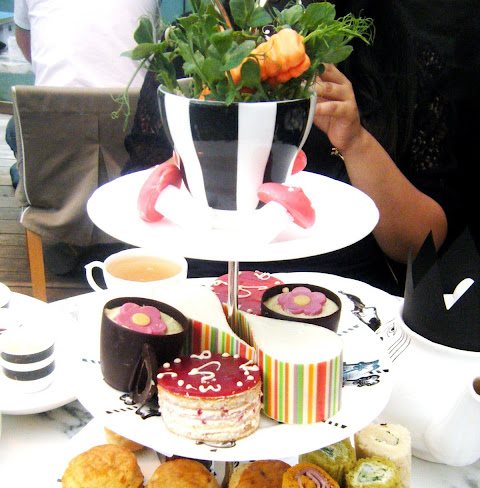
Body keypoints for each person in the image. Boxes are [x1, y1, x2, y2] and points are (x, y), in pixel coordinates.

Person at [122, 0, 457, 295]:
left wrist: (356, 143)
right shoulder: (191, 42)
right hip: (198, 284)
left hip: (339, 296)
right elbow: (140, 203)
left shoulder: (398, 50)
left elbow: (421, 244)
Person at [7, 0, 159, 273]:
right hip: (132, 124)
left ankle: (53, 214)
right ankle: (118, 233)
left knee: (14, 131)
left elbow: (26, 42)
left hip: (57, 126)